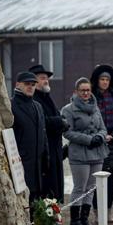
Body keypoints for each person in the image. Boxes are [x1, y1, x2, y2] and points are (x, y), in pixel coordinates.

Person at [61, 78, 109, 225]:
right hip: (79, 154)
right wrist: (89, 139)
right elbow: (67, 132)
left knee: (91, 187)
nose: (86, 93)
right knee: (80, 187)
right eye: (82, 90)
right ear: (76, 91)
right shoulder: (68, 109)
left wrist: (100, 137)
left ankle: (84, 219)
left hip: (97, 152)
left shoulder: (95, 108)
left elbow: (103, 127)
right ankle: (75, 222)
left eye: (88, 90)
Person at [11, 71, 50, 218]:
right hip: (21, 166)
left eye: (33, 84)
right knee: (23, 207)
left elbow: (43, 134)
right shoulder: (11, 106)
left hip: (38, 166)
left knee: (36, 205)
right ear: (17, 85)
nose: (30, 87)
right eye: (27, 84)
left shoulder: (38, 106)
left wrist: (46, 158)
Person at [30, 64, 69, 203]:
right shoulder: (34, 99)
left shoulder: (47, 97)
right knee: (47, 190)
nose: (46, 81)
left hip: (55, 150)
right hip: (44, 153)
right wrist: (60, 122)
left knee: (56, 189)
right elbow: (42, 121)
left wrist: (61, 122)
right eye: (42, 78)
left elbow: (56, 117)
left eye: (46, 78)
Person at [90, 64, 113, 223]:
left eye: (107, 80)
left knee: (110, 180)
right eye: (102, 79)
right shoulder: (92, 97)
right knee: (97, 180)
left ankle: (108, 213)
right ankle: (97, 213)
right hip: (97, 142)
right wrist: (100, 135)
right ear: (97, 81)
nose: (104, 82)